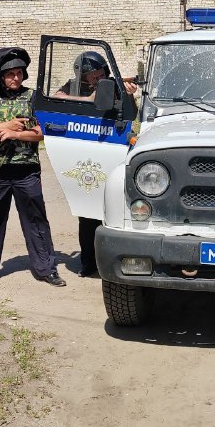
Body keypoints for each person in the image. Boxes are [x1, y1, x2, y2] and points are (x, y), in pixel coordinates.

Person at [0, 47, 66, 287]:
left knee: (36, 221)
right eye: (10, 74)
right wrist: (4, 126)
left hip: (26, 171)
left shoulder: (33, 97)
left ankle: (46, 269)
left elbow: (43, 131)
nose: (16, 78)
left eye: (19, 73)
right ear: (0, 75)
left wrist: (16, 134)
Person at [55, 50, 138, 277]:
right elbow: (56, 98)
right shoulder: (74, 87)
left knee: (116, 209)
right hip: (86, 152)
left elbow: (132, 115)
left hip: (112, 150)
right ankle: (88, 262)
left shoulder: (113, 85)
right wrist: (89, 99)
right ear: (82, 76)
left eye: (100, 73)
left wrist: (128, 95)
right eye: (92, 75)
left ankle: (118, 262)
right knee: (87, 213)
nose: (97, 77)